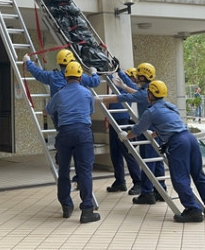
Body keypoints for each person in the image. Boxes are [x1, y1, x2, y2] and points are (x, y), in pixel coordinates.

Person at [118, 80, 205, 222]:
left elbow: (137, 130)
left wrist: (126, 136)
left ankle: (193, 210)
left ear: (150, 95)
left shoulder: (151, 112)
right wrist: (156, 133)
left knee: (180, 178)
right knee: (198, 174)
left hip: (178, 143)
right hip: (190, 138)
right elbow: (170, 124)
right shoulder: (171, 106)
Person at [102, 62, 167, 205]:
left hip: (148, 130)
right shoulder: (150, 90)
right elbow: (135, 91)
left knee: (147, 162)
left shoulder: (144, 93)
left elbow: (127, 97)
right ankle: (160, 190)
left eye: (138, 74)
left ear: (143, 77)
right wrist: (119, 71)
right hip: (158, 130)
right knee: (156, 161)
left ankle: (147, 193)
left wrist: (100, 99)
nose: (135, 76)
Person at [45, 62, 100, 224]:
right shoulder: (86, 93)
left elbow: (48, 110)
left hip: (64, 133)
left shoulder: (60, 94)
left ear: (65, 76)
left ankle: (66, 206)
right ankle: (87, 211)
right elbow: (90, 111)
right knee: (84, 171)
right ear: (80, 76)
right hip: (83, 132)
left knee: (63, 171)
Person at [23, 49, 100, 111]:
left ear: (59, 63)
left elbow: (38, 73)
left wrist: (28, 62)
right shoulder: (79, 76)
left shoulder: (53, 76)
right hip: (77, 112)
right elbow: (95, 82)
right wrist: (94, 72)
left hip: (59, 115)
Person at [104, 68, 141, 195]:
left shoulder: (130, 86)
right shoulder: (118, 87)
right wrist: (106, 70)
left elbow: (128, 83)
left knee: (127, 153)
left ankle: (138, 182)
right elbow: (109, 80)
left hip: (123, 122)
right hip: (113, 121)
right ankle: (119, 181)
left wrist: (119, 71)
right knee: (115, 153)